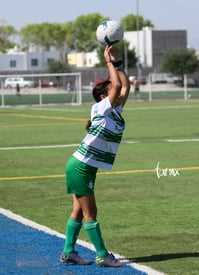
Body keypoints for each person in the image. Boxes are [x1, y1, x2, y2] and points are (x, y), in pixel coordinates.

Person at [60, 44, 130, 268]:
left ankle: (68, 252)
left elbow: (125, 86)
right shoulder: (100, 108)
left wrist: (118, 64)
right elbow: (118, 84)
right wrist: (108, 62)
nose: (116, 89)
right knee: (91, 213)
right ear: (103, 95)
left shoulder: (115, 111)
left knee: (79, 212)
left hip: (84, 167)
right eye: (111, 88)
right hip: (80, 167)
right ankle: (102, 255)